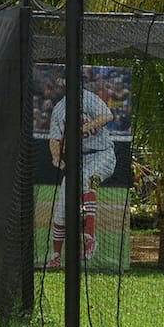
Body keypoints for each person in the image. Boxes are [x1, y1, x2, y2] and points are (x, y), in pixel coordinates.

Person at [46, 72, 116, 269]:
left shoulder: (88, 98)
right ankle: (56, 256)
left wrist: (82, 129)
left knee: (88, 178)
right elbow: (54, 139)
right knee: (62, 208)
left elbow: (107, 116)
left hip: (103, 154)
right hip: (79, 161)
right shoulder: (59, 109)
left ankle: (89, 237)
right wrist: (56, 157)